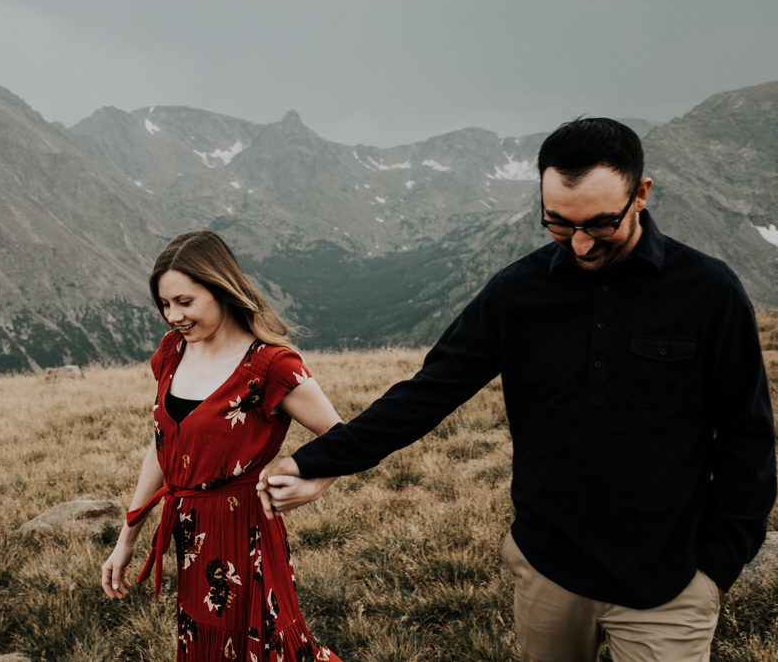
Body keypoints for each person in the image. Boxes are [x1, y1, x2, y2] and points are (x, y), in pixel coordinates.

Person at [258, 118, 776, 661]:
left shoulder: (709, 292)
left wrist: (718, 567)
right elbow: (429, 392)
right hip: (548, 569)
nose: (579, 244)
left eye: (600, 225)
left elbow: (747, 436)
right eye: (558, 225)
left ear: (641, 195)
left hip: (669, 582)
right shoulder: (516, 293)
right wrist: (320, 461)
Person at [102, 230, 342, 662]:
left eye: (185, 302)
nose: (173, 316)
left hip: (244, 532)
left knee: (265, 648)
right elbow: (163, 448)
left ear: (221, 290)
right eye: (165, 304)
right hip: (190, 535)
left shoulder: (270, 365)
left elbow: (344, 438)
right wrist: (127, 538)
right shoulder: (172, 352)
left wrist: (316, 484)